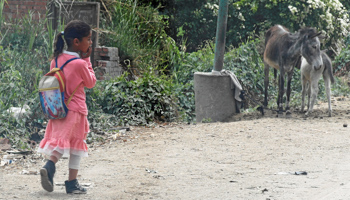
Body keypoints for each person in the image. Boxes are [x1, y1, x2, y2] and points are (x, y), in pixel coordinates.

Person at [37, 20, 96, 194]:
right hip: (76, 110)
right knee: (76, 145)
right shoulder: (79, 63)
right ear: (77, 42)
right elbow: (91, 82)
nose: (90, 42)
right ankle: (72, 183)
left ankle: (50, 165)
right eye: (89, 38)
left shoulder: (56, 60)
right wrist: (87, 59)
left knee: (62, 143)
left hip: (59, 109)